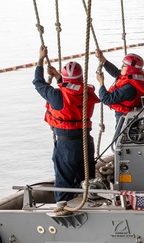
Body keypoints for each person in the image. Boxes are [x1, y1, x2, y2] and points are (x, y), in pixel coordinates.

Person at [34, 46, 98, 202]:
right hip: (85, 142)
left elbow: (38, 82)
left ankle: (63, 207)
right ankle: (89, 203)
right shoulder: (86, 93)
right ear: (82, 78)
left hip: (67, 146)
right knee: (86, 180)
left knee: (63, 180)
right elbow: (73, 89)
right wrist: (57, 76)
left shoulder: (56, 96)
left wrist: (41, 59)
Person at [95, 49, 144, 141]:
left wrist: (101, 82)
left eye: (124, 65)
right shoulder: (134, 76)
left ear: (130, 69)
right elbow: (117, 73)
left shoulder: (128, 89)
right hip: (130, 114)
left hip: (124, 117)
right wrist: (104, 60)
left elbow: (106, 99)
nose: (121, 66)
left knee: (119, 141)